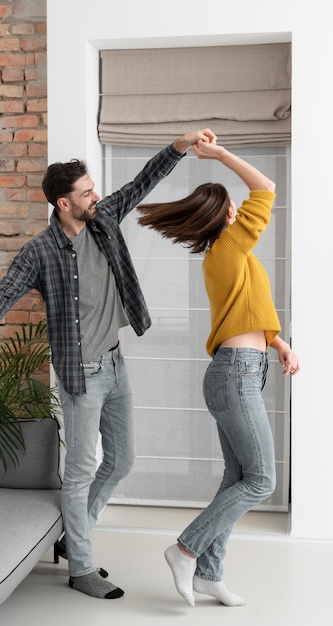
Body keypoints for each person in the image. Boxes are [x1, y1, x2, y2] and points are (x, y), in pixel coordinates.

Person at [0, 128, 217, 600]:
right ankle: (81, 568)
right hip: (82, 374)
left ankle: (73, 533)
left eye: (94, 188)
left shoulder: (104, 216)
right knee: (79, 471)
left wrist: (178, 146)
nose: (95, 196)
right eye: (85, 192)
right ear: (62, 203)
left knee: (122, 460)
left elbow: (143, 182)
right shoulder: (40, 251)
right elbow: (2, 293)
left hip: (116, 364)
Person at [137, 139, 300, 607]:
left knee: (237, 477)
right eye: (233, 201)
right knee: (262, 480)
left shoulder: (234, 258)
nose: (240, 205)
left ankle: (209, 573)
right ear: (225, 214)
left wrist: (279, 343)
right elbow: (266, 188)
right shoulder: (228, 249)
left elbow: (246, 310)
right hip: (236, 375)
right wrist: (223, 156)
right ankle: (185, 549)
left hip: (240, 370)